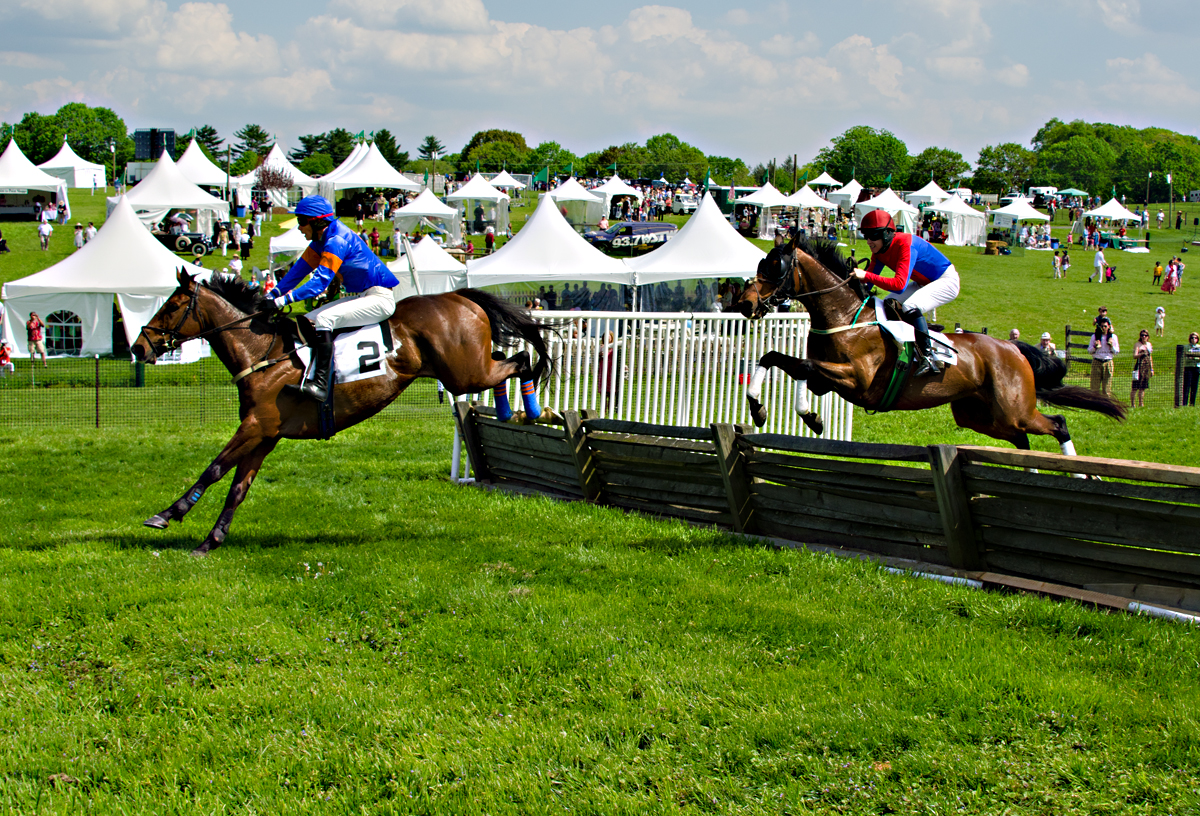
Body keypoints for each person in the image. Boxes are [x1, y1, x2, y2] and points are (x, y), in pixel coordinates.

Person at [267, 195, 400, 402]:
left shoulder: (336, 241)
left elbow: (318, 284)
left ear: (316, 221)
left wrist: (281, 301)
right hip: (364, 295)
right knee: (307, 319)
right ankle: (311, 374)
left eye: (301, 222)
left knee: (324, 320)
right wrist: (271, 294)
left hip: (380, 299)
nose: (299, 228)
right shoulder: (320, 241)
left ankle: (321, 385)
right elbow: (296, 273)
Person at [851, 210, 960, 376]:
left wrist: (865, 275)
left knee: (910, 305)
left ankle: (928, 356)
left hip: (946, 280)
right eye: (865, 235)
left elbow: (900, 285)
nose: (868, 241)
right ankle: (903, 345)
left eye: (872, 236)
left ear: (887, 234)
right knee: (886, 305)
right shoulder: (879, 250)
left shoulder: (904, 244)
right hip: (923, 282)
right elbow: (870, 278)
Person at [1087, 317, 1119, 398]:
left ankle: (1106, 404)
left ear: (1109, 326)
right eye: (1102, 326)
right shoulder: (1094, 336)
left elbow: (1116, 352)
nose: (1103, 328)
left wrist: (1111, 346)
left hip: (1108, 361)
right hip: (1097, 361)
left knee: (1107, 387)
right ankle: (1095, 403)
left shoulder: (1113, 337)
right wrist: (1095, 347)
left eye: (1105, 326)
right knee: (1094, 386)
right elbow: (1089, 351)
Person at [1130, 329, 1154, 408]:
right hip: (1139, 367)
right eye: (1142, 335)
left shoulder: (1149, 345)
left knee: (1143, 387)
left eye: (1145, 335)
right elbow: (1134, 356)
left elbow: (1150, 357)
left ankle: (1141, 403)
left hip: (1146, 367)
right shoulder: (1137, 344)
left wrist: (1151, 369)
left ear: (1148, 337)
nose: (1144, 337)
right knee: (1135, 387)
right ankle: (1133, 404)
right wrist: (1141, 354)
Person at [1183, 332, 1200, 407]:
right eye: (1192, 337)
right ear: (1190, 339)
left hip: (1196, 367)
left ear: (1197, 339)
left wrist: (1194, 357)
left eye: (1195, 338)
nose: (1194, 339)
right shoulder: (1186, 347)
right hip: (1188, 367)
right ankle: (1184, 403)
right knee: (1186, 385)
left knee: (1194, 385)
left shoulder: (1199, 347)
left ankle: (1192, 403)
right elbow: (1185, 357)